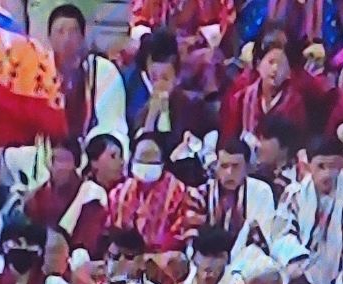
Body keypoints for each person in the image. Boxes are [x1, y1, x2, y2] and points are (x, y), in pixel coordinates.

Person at [276, 136, 343, 284]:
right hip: (299, 273)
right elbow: (282, 236)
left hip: (336, 275)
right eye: (321, 166)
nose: (327, 174)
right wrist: (301, 266)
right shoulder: (294, 194)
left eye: (333, 167)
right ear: (309, 166)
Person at [48, 4, 129, 153]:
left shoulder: (104, 71)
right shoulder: (38, 70)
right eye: (60, 32)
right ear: (50, 38)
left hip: (92, 155)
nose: (67, 39)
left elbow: (112, 125)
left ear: (83, 36)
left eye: (73, 32)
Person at [107, 133, 202, 257]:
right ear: (132, 158)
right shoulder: (118, 193)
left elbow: (184, 235)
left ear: (162, 162)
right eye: (142, 159)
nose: (146, 164)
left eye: (152, 161)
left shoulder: (182, 193)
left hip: (164, 260)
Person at [125, 29, 214, 147]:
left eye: (165, 78)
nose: (159, 84)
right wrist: (152, 114)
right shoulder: (143, 112)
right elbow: (141, 149)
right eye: (154, 78)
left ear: (176, 77)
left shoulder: (194, 106)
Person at [25, 138, 109, 259]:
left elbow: (86, 246)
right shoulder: (39, 194)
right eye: (51, 159)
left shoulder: (92, 194)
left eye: (61, 160)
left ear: (76, 163)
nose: (55, 166)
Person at [220, 36, 308, 143]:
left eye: (281, 64)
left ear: (289, 73)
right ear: (258, 65)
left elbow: (297, 143)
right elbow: (229, 140)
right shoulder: (241, 99)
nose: (275, 69)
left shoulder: (295, 103)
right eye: (271, 62)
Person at [203, 139, 279, 256]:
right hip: (208, 258)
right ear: (216, 167)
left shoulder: (261, 191)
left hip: (247, 261)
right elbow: (193, 239)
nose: (229, 172)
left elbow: (264, 234)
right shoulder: (202, 193)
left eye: (236, 166)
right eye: (224, 166)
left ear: (247, 168)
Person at [250, 114, 301, 203]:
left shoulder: (299, 179)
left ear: (284, 145)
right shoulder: (254, 175)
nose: (258, 145)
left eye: (265, 139)